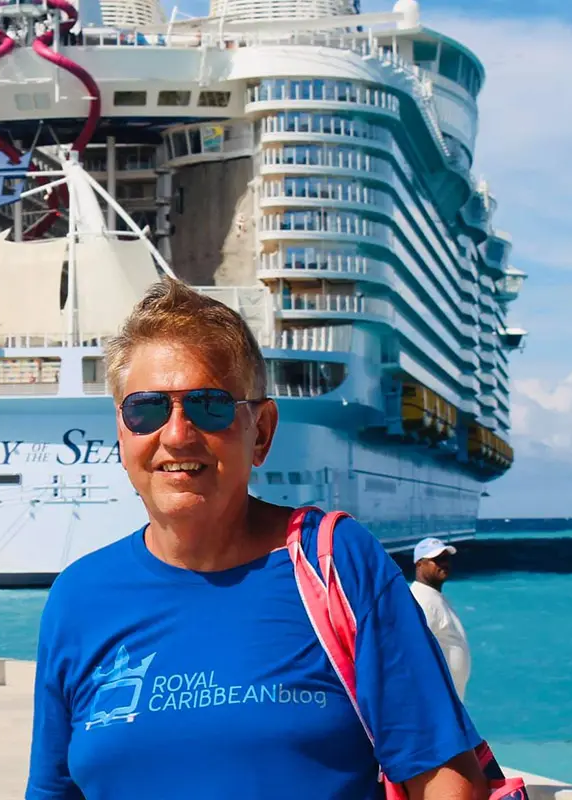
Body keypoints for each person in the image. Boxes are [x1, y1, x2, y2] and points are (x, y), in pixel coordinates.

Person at [24, 279, 486, 800]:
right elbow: (52, 790)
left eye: (210, 406)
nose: (176, 434)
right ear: (122, 432)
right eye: (147, 409)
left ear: (261, 430)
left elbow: (443, 778)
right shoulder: (78, 598)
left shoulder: (337, 564)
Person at [411, 537, 471, 701]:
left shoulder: (433, 597)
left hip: (448, 702)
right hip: (436, 703)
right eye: (436, 560)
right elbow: (413, 652)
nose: (444, 563)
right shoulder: (422, 600)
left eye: (445, 558)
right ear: (419, 564)